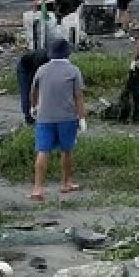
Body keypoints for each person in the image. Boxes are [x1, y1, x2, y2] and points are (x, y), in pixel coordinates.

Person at [29, 39, 86, 201]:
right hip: (67, 116)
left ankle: (37, 188)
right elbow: (78, 96)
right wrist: (82, 117)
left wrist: (33, 107)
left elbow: (33, 91)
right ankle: (66, 182)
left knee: (42, 151)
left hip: (44, 116)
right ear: (68, 53)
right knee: (66, 150)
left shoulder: (42, 69)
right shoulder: (74, 71)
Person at [15, 47, 50, 125]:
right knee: (26, 91)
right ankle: (29, 118)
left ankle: (41, 114)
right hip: (25, 69)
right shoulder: (41, 58)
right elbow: (33, 81)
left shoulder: (55, 59)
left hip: (34, 67)